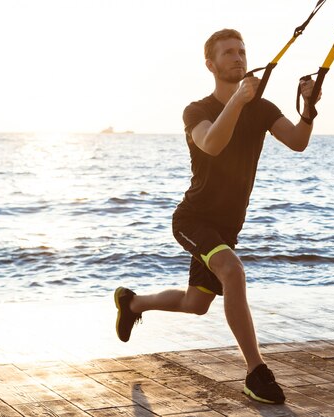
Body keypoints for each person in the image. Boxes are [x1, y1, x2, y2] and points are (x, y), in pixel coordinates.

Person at [114, 28, 320, 404]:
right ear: (210, 64)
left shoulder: (262, 108)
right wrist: (238, 102)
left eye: (242, 51)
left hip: (227, 227)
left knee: (196, 304)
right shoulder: (197, 110)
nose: (238, 58)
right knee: (233, 271)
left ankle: (132, 303)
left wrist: (308, 107)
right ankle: (256, 372)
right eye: (228, 53)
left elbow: (298, 141)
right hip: (192, 219)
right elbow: (211, 143)